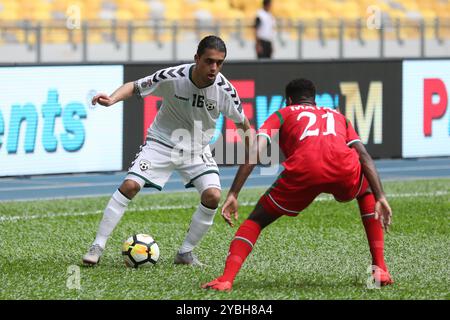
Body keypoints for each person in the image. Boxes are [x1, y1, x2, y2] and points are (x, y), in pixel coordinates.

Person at [202, 78, 393, 291]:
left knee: (256, 220)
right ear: (314, 99)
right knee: (365, 191)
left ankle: (227, 279)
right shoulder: (338, 116)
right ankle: (380, 267)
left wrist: (234, 193)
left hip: (304, 171)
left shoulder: (282, 113)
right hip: (344, 168)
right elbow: (363, 155)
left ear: (288, 100)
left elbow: (256, 150)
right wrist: (381, 197)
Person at [82, 35, 251, 267]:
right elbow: (134, 86)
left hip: (196, 149)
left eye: (219, 63)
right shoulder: (173, 76)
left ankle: (185, 253)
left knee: (212, 196)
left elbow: (244, 125)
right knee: (130, 186)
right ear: (196, 58)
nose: (214, 68)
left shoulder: (226, 91)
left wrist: (252, 149)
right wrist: (111, 99)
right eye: (209, 61)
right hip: (161, 143)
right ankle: (97, 245)